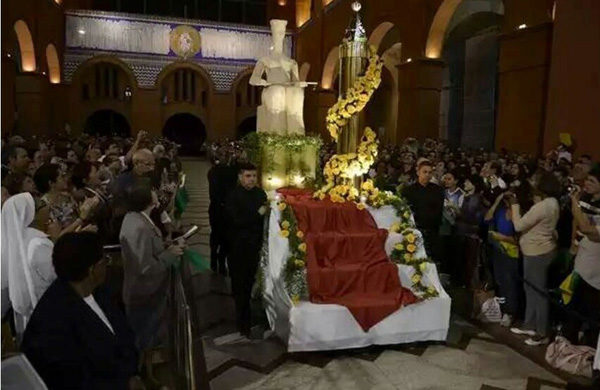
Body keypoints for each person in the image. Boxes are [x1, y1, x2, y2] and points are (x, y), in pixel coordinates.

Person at [21, 232, 144, 390]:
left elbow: (123, 335)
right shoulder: (52, 320)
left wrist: (133, 374)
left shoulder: (99, 292)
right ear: (92, 270)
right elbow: (69, 380)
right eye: (104, 260)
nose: (107, 265)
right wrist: (124, 385)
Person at [119, 183, 185, 387]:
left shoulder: (138, 219)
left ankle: (147, 370)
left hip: (147, 290)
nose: (157, 194)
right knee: (142, 336)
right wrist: (170, 254)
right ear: (149, 200)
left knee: (146, 337)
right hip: (144, 291)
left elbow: (149, 250)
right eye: (153, 192)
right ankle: (142, 377)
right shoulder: (138, 226)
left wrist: (166, 246)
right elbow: (145, 266)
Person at [509, 172, 561, 346]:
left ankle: (541, 331)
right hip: (537, 250)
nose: (532, 183)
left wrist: (515, 206)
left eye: (536, 180)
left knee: (538, 292)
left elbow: (518, 225)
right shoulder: (551, 202)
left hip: (537, 252)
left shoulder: (544, 205)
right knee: (530, 288)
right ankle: (530, 324)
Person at [1, 193, 56, 340]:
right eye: (42, 206)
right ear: (31, 213)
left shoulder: (12, 240)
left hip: (24, 317)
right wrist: (58, 242)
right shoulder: (37, 242)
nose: (47, 207)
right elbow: (56, 275)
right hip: (46, 311)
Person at [225, 163, 267, 337]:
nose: (251, 179)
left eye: (254, 176)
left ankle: (250, 316)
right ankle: (243, 322)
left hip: (255, 245)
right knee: (239, 285)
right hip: (238, 246)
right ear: (240, 177)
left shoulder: (260, 193)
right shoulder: (233, 196)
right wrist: (258, 214)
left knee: (250, 282)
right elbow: (236, 221)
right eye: (248, 176)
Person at [563, 168, 600, 348]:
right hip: (580, 259)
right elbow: (576, 222)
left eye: (592, 181)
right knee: (572, 306)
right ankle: (567, 346)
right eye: (587, 180)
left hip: (595, 269)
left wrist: (575, 204)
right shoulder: (584, 199)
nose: (587, 184)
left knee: (592, 312)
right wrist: (573, 243)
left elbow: (588, 229)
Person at [485, 192, 519, 328]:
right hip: (498, 251)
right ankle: (501, 308)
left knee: (509, 282)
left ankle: (510, 312)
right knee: (500, 280)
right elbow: (487, 218)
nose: (508, 200)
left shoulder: (519, 214)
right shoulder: (500, 211)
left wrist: (502, 238)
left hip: (511, 253)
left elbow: (519, 239)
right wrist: (497, 200)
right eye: (506, 198)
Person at [402, 160, 445, 266]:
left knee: (432, 261)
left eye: (430, 172)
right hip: (415, 231)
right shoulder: (408, 191)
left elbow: (438, 211)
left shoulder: (438, 190)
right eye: (424, 172)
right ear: (418, 172)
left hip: (433, 231)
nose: (427, 175)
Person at [207, 152, 237, 275]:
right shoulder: (231, 172)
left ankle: (214, 259)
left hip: (215, 207)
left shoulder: (212, 171)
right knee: (226, 236)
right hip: (226, 209)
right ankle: (221, 261)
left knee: (215, 234)